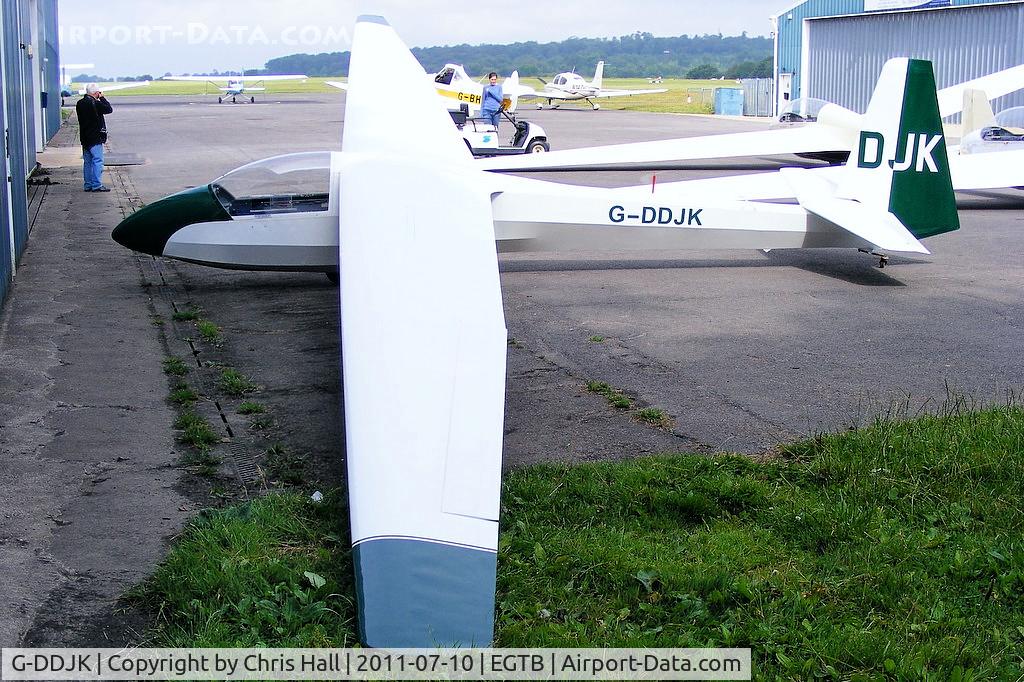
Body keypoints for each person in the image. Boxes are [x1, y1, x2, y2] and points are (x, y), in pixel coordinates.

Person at [76, 84, 113, 192]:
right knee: (97, 161)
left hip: (84, 136)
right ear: (96, 93)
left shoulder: (80, 103)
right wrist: (102, 98)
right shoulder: (96, 103)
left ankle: (87, 185)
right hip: (95, 136)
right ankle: (96, 185)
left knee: (87, 162)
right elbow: (108, 109)